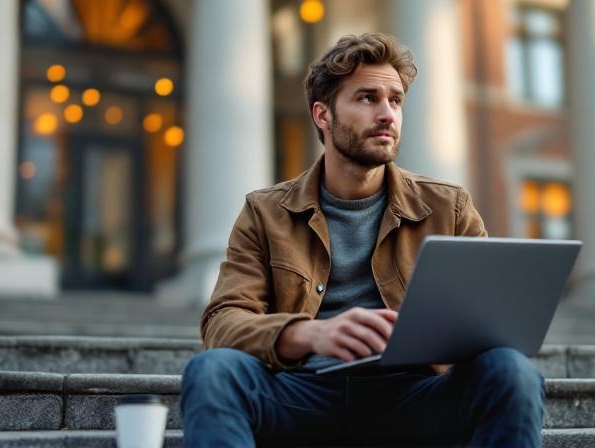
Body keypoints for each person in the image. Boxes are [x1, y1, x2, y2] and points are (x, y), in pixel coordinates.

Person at [180, 33, 544, 447]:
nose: (387, 114)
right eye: (368, 98)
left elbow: (489, 324)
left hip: (414, 397)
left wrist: (439, 346)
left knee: (510, 369)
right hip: (301, 395)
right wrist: (310, 334)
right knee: (211, 371)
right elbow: (223, 323)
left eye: (395, 100)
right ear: (323, 115)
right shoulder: (266, 212)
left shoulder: (449, 207)